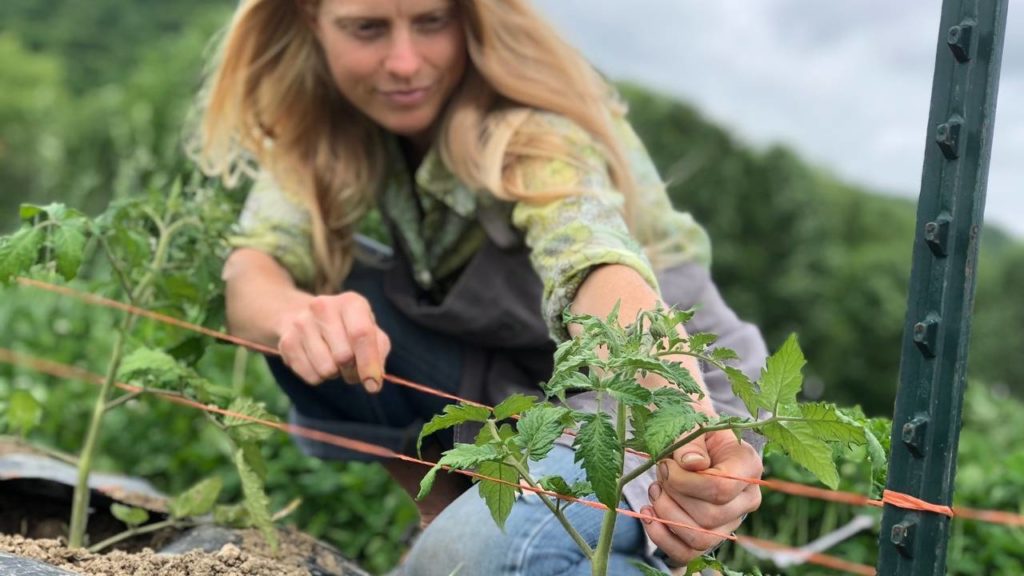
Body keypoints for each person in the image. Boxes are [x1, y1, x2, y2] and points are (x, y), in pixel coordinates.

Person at [191, 0, 767, 573]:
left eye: (431, 21)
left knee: (505, 554)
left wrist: (683, 425)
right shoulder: (328, 121)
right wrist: (297, 315)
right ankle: (442, 523)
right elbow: (252, 272)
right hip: (515, 378)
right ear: (312, 19)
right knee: (326, 287)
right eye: (367, 28)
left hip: (648, 387)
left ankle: (474, 546)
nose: (404, 62)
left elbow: (595, 267)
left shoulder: (530, 122)